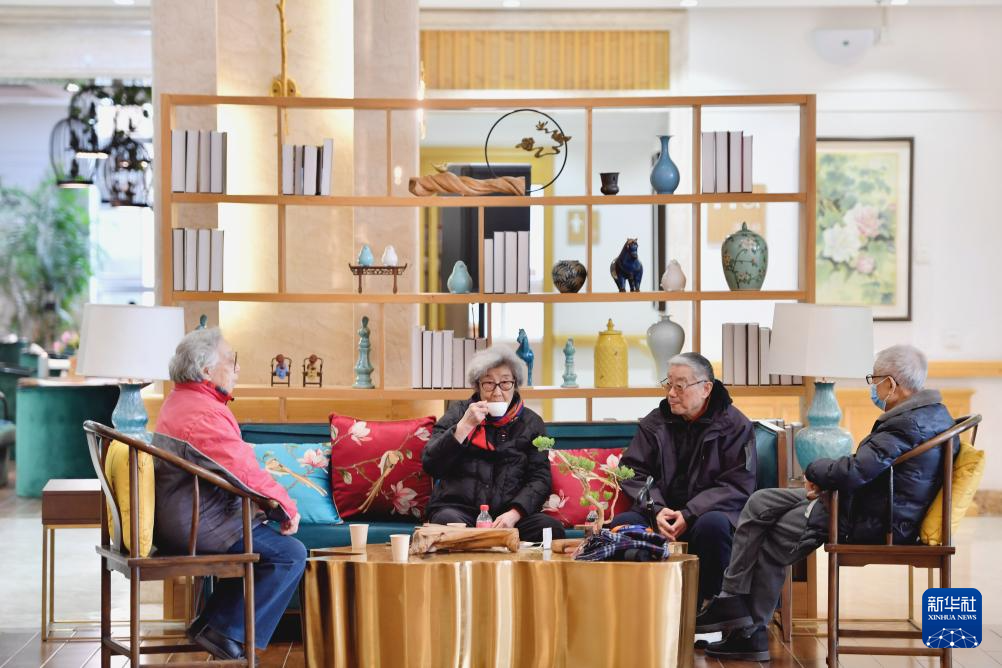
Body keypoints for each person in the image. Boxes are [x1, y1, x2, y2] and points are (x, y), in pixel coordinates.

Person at [696, 345, 956, 662]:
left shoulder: (906, 424)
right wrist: (825, 479)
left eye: (874, 380)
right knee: (761, 501)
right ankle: (731, 599)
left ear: (891, 383)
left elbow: (858, 470)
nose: (873, 387)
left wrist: (815, 470)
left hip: (867, 516)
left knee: (773, 537)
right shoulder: (929, 415)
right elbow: (866, 467)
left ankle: (750, 632)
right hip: (865, 502)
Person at [156, 328, 306, 661]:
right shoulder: (203, 412)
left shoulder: (183, 400)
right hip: (195, 524)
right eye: (231, 359)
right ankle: (223, 630)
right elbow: (243, 470)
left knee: (269, 545)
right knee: (290, 553)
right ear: (206, 370)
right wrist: (286, 506)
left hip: (183, 518)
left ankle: (212, 623)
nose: (237, 368)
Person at [611, 352, 756, 604]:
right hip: (659, 513)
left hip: (707, 514)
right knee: (624, 524)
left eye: (680, 386)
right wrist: (656, 509)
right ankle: (635, 608)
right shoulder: (655, 423)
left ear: (706, 388)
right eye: (668, 384)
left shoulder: (735, 426)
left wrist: (689, 514)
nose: (671, 393)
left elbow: (737, 484)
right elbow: (633, 470)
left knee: (713, 526)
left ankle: (710, 610)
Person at [422, 345, 565, 542]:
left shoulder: (531, 423)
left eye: (505, 383)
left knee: (550, 528)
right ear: (478, 386)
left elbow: (540, 478)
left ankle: (481, 542)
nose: (497, 392)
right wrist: (464, 426)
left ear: (515, 384)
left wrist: (514, 514)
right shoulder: (458, 414)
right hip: (460, 512)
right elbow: (431, 464)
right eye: (489, 383)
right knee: (445, 523)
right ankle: (491, 543)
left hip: (508, 517)